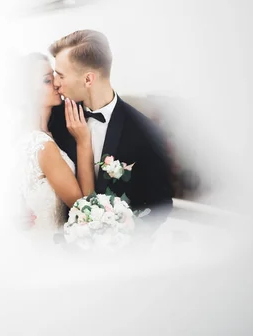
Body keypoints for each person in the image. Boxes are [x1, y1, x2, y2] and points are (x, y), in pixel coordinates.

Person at [48, 30, 173, 229]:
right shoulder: (54, 118)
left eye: (61, 76)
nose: (55, 83)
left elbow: (161, 205)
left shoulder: (145, 133)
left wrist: (120, 241)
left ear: (88, 79)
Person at [16, 53, 94, 239]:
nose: (57, 84)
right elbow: (85, 209)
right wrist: (83, 143)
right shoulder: (42, 145)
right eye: (47, 80)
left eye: (56, 77)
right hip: (47, 249)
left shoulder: (25, 135)